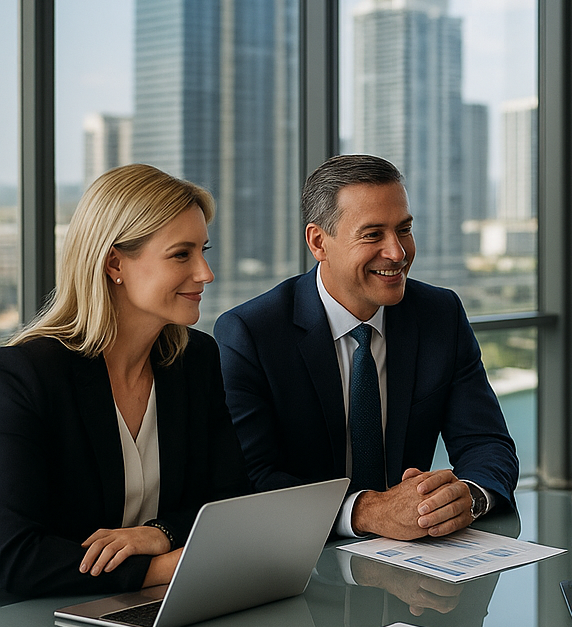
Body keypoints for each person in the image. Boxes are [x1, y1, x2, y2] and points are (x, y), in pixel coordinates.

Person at [214, 154, 518, 541]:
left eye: (404, 229)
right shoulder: (250, 334)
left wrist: (467, 497)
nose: (397, 252)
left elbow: (486, 443)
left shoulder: (439, 314)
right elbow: (251, 478)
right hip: (301, 556)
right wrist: (365, 512)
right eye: (373, 234)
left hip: (417, 558)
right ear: (318, 242)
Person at [0, 164, 248, 599]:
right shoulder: (25, 377)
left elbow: (230, 501)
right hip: (47, 625)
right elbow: (15, 554)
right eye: (181, 254)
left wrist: (161, 532)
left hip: (171, 605)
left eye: (203, 251)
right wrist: (160, 568)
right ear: (115, 262)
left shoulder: (196, 359)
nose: (205, 273)